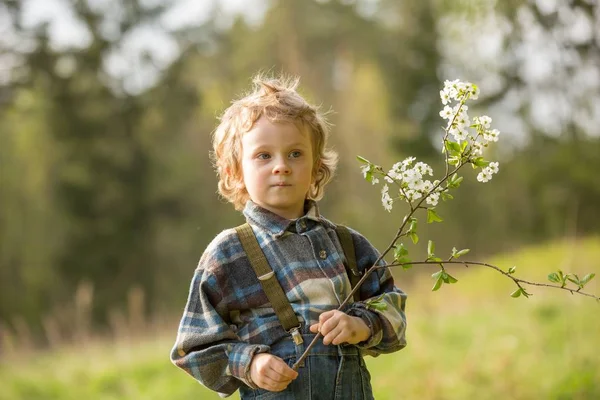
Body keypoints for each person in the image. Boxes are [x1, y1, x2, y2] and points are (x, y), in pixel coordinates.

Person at [170, 74, 407, 399]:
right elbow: (192, 348)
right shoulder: (229, 254)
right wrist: (249, 364)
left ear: (316, 167)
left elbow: (394, 310)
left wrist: (362, 325)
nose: (281, 166)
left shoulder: (348, 244)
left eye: (295, 154)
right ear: (235, 172)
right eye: (264, 156)